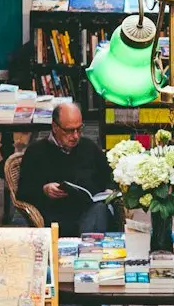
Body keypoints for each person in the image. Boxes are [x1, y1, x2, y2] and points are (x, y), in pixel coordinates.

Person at [16, 100, 116, 236]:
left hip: (92, 211)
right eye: (69, 130)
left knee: (101, 210)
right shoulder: (36, 152)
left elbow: (109, 176)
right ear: (55, 127)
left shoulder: (89, 147)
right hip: (58, 219)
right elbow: (23, 192)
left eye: (79, 129)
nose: (75, 136)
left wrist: (109, 190)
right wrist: (44, 190)